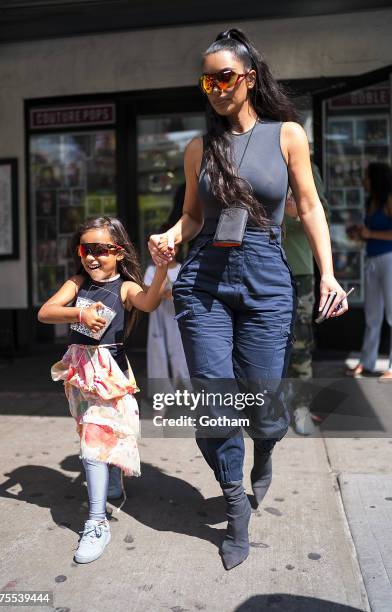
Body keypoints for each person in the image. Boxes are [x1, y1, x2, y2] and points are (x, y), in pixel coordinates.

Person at [148, 28, 348, 571]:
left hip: (265, 277)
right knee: (215, 399)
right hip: (205, 280)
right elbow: (192, 216)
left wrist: (328, 274)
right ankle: (235, 503)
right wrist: (171, 235)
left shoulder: (287, 135)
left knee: (261, 399)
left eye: (225, 77)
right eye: (206, 79)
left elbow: (309, 207)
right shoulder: (198, 147)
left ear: (250, 79)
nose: (214, 87)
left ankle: (266, 447)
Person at [38, 216, 169, 563]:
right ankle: (112, 480)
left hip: (110, 373)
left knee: (93, 440)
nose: (92, 257)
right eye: (85, 250)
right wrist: (78, 316)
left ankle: (97, 522)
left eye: (101, 250)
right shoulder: (77, 282)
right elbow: (46, 312)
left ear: (120, 253)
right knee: (90, 432)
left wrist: (161, 271)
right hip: (80, 372)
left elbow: (150, 302)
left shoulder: (124, 288)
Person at [283, 164, 329, 435]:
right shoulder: (252, 156)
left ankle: (301, 406)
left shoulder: (306, 167)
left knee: (299, 344)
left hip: (298, 270)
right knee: (261, 344)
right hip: (259, 270)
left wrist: (296, 213)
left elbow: (321, 211)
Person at [346, 162, 392, 381]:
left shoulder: (389, 199)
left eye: (366, 176)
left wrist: (370, 233)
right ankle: (367, 361)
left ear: (376, 179)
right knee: (372, 315)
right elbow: (370, 233)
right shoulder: (371, 201)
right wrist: (360, 234)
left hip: (389, 259)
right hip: (373, 260)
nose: (363, 180)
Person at [144, 235, 190, 400]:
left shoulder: (184, 268)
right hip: (159, 315)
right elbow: (147, 291)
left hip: (178, 316)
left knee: (181, 352)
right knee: (158, 353)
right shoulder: (152, 270)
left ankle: (187, 392)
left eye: (173, 247)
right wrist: (163, 292)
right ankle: (162, 398)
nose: (169, 251)